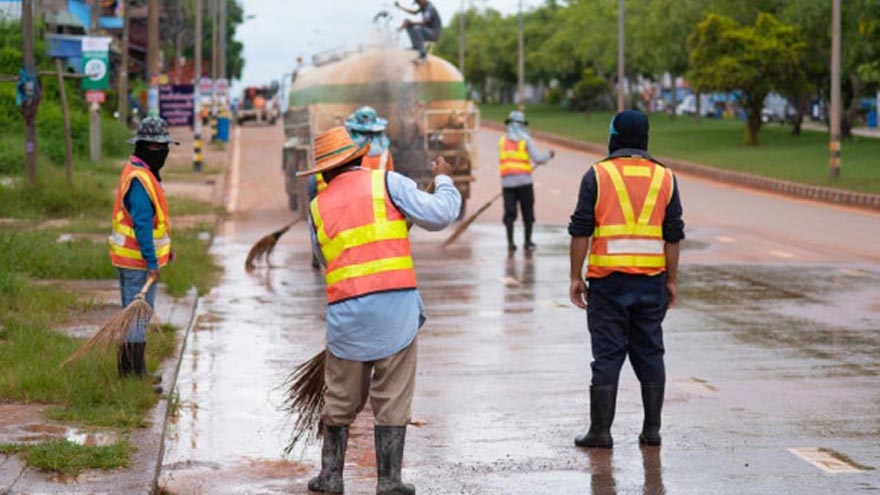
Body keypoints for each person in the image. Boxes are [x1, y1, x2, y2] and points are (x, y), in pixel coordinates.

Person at [300, 126, 460, 494]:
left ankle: (331, 476)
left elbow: (324, 256)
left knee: (340, 397)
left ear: (323, 172)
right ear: (359, 157)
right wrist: (444, 180)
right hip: (395, 313)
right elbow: (439, 215)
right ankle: (389, 481)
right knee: (392, 395)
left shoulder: (316, 206)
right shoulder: (387, 183)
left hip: (346, 317)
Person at [567, 110, 684, 449]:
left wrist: (576, 276)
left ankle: (600, 432)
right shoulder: (666, 178)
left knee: (607, 356)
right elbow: (672, 235)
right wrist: (671, 280)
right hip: (651, 283)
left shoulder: (597, 175)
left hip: (607, 283)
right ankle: (651, 431)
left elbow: (580, 231)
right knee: (650, 353)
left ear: (614, 135)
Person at [108, 117, 179, 388]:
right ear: (146, 147)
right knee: (137, 317)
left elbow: (152, 224)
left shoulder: (140, 172)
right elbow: (140, 224)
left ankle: (134, 373)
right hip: (136, 263)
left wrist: (165, 250)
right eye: (158, 147)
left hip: (132, 260)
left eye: (164, 146)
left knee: (135, 315)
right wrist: (152, 261)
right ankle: (133, 376)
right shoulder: (140, 179)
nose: (163, 152)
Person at [498, 110, 554, 253]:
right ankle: (527, 242)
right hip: (524, 183)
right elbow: (538, 159)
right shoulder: (526, 140)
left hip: (507, 184)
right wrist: (548, 155)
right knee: (527, 213)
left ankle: (510, 243)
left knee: (509, 214)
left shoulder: (502, 141)